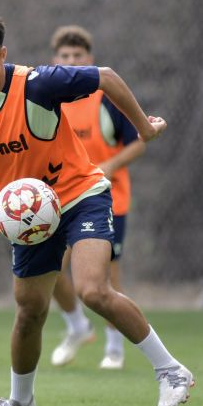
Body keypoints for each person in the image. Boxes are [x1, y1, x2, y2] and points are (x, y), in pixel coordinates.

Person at [0, 5, 194, 406]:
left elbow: (107, 76)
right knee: (29, 311)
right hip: (33, 216)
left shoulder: (40, 83)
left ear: (2, 55)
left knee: (94, 289)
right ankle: (20, 404)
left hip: (81, 194)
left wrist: (144, 129)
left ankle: (171, 370)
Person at [48, 26, 146, 370]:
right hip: (59, 199)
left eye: (78, 57)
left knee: (105, 278)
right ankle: (77, 326)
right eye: (65, 57)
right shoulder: (50, 99)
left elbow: (139, 139)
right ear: (55, 60)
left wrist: (109, 165)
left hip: (107, 199)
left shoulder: (107, 98)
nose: (72, 62)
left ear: (89, 60)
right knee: (48, 271)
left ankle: (114, 346)